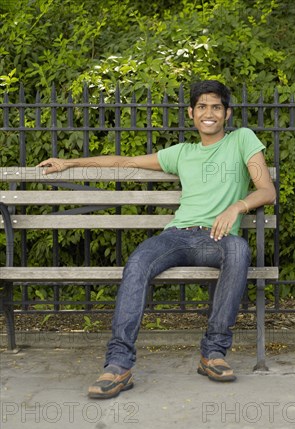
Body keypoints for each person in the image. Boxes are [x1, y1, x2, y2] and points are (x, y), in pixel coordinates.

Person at [37, 80, 276, 398]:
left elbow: (267, 191)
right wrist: (70, 163)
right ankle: (118, 366)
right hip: (176, 236)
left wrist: (237, 206)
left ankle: (212, 353)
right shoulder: (182, 153)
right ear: (191, 113)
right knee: (137, 261)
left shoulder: (243, 139)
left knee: (239, 249)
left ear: (227, 113)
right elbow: (125, 161)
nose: (209, 113)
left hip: (216, 239)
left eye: (216, 107)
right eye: (202, 107)